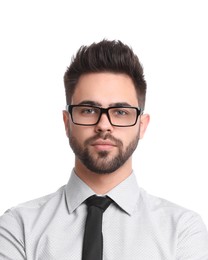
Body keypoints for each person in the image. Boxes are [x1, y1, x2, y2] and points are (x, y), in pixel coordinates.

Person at [0, 39, 208, 259]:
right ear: (66, 122)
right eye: (88, 110)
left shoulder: (182, 231)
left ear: (142, 126)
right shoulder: (19, 227)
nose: (104, 125)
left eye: (120, 112)